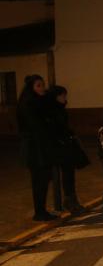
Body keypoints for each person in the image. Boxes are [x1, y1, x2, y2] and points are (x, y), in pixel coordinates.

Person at [17, 75, 57, 221]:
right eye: (38, 86)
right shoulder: (29, 104)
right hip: (35, 147)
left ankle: (41, 210)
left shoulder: (37, 102)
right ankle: (39, 211)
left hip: (40, 146)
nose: (42, 88)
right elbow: (36, 126)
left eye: (42, 85)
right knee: (39, 180)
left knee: (43, 179)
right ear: (31, 88)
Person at [46, 85, 86, 215]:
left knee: (69, 175)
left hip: (65, 145)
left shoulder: (59, 110)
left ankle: (71, 200)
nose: (65, 98)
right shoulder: (53, 111)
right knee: (67, 175)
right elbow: (58, 129)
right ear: (56, 96)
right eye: (62, 95)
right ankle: (69, 201)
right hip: (61, 147)